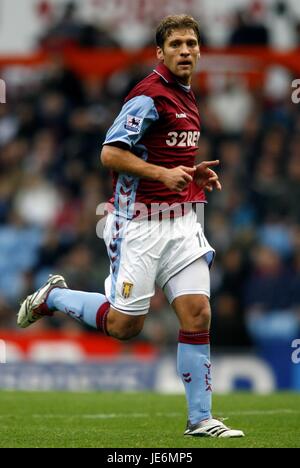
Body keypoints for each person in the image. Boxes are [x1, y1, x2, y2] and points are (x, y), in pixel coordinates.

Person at [18, 14, 244, 438]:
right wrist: (162, 175)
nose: (185, 51)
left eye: (191, 44)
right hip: (138, 224)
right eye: (175, 44)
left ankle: (201, 420)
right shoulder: (147, 96)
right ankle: (56, 297)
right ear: (160, 52)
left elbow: (163, 154)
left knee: (198, 313)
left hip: (183, 222)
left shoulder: (187, 95)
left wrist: (189, 174)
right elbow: (110, 154)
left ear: (199, 50)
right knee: (126, 326)